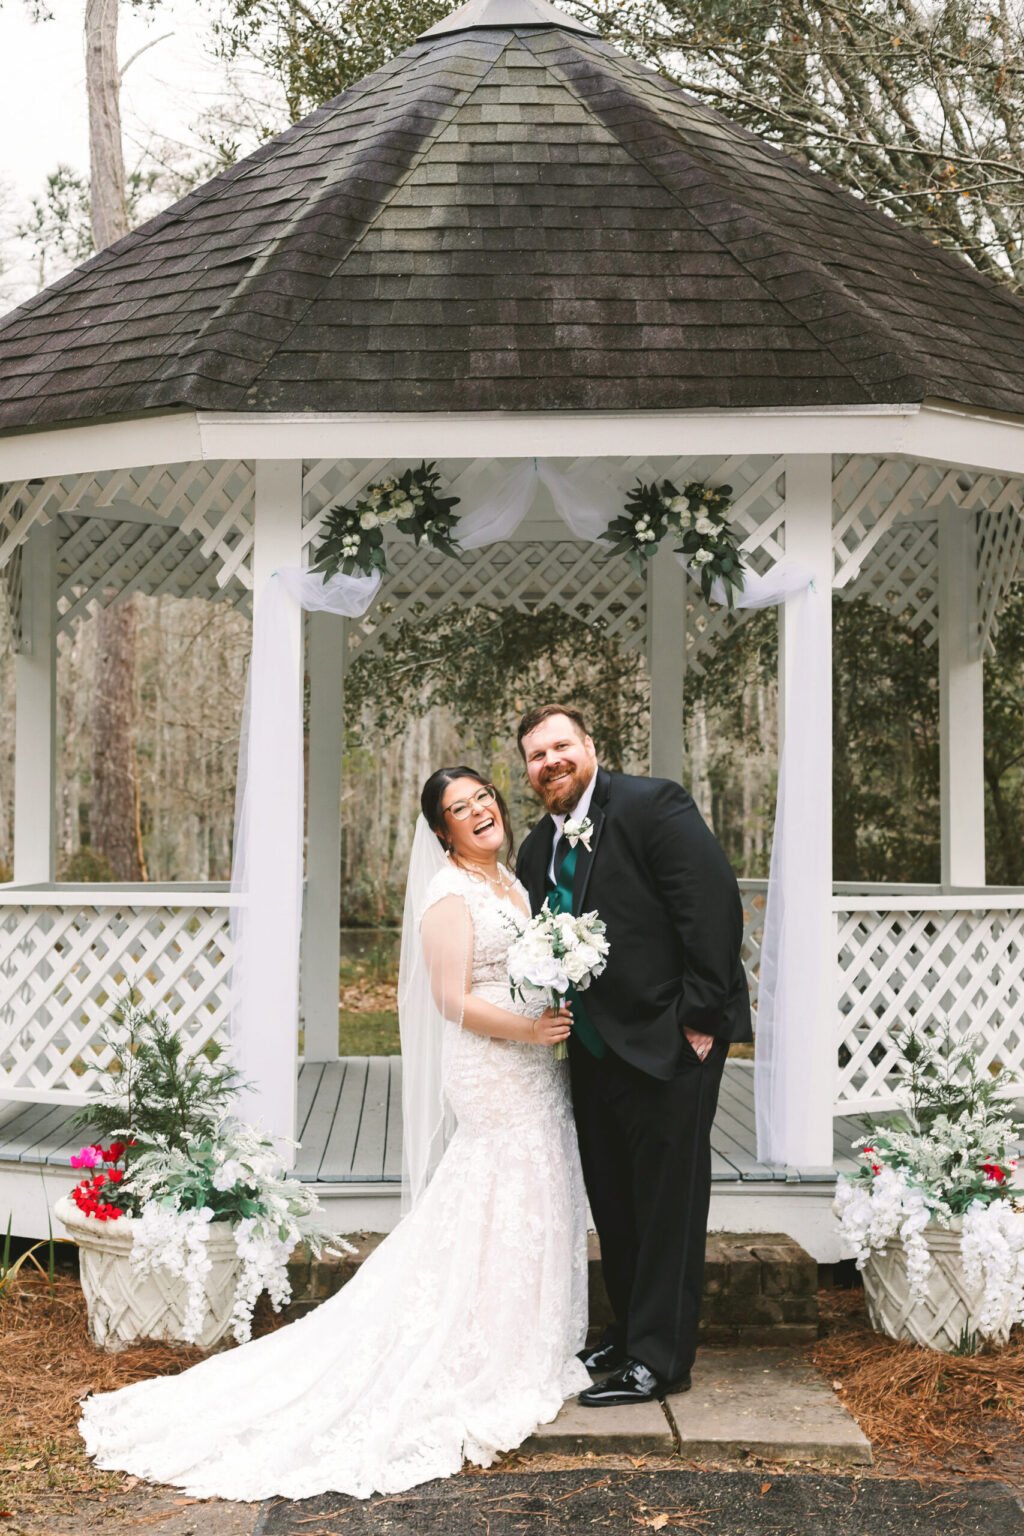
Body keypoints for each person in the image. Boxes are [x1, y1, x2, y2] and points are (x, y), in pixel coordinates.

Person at [77, 766, 589, 1500]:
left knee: (529, 1193)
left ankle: (517, 1336)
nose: (478, 811)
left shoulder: (509, 882)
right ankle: (479, 1348)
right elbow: (450, 1001)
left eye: (482, 798)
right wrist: (531, 1029)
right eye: (458, 808)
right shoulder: (448, 897)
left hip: (536, 1066)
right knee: (496, 1192)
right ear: (441, 830)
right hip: (495, 1068)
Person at [515, 705, 752, 1406]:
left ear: (590, 747)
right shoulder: (536, 848)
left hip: (670, 1039)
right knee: (615, 1200)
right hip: (591, 1052)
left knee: (667, 1203)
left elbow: (710, 906)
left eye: (561, 746)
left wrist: (702, 1018)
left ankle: (662, 1358)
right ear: (527, 770)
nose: (550, 761)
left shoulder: (652, 805)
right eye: (536, 754)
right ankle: (628, 1334)